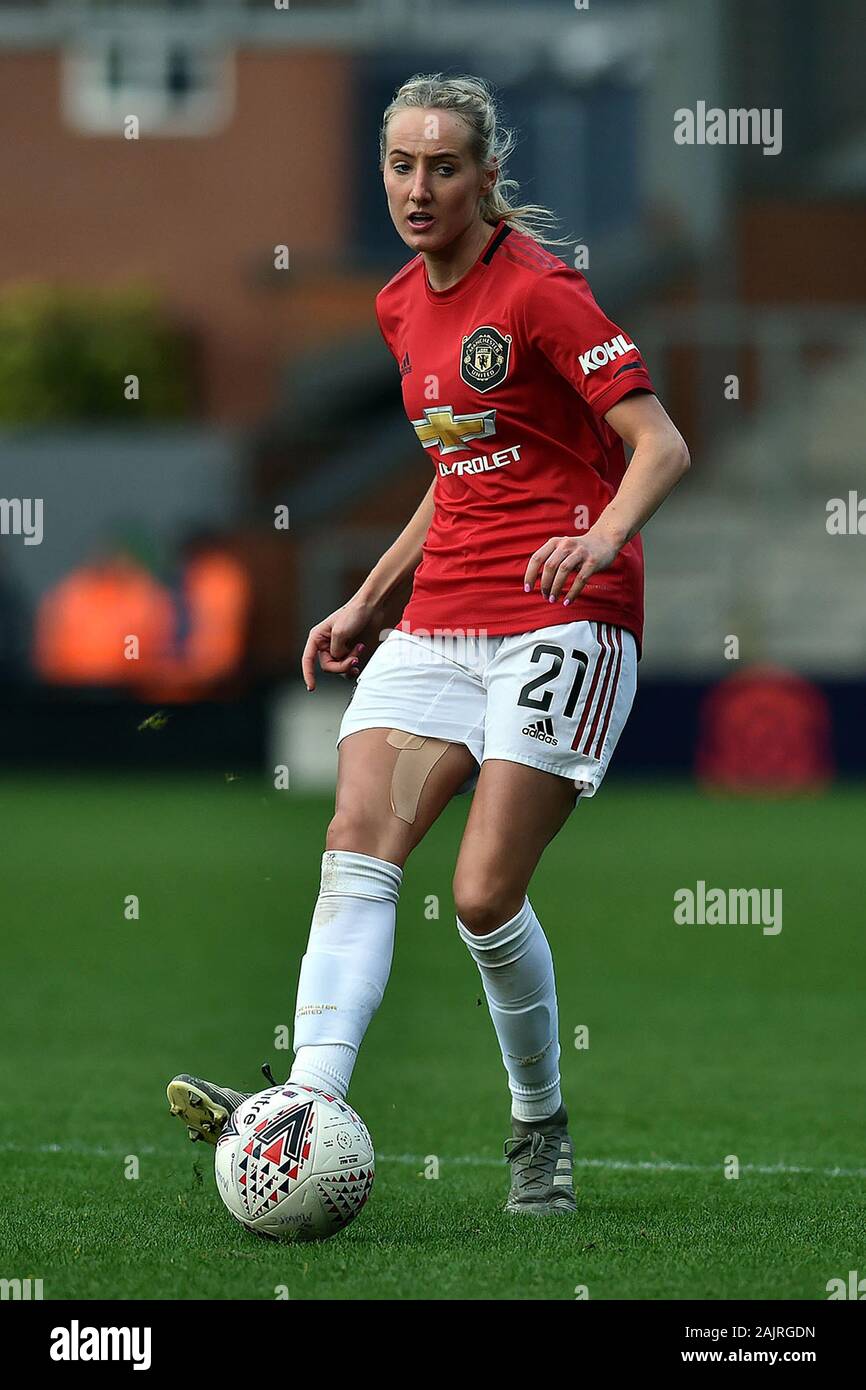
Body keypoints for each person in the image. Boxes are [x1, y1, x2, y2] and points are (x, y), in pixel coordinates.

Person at [167, 73, 689, 1217]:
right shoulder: (399, 302)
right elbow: (452, 474)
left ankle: (536, 1123)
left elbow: (659, 445)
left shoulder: (543, 295)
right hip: (439, 620)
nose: (417, 186)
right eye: (400, 165)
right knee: (355, 843)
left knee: (482, 897)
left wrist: (600, 538)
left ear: (484, 176)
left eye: (441, 166)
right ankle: (304, 1106)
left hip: (561, 618)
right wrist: (367, 596)